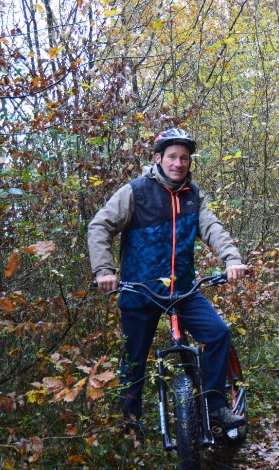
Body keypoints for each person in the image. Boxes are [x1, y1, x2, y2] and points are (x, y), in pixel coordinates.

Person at [87, 127, 249, 439]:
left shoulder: (193, 196)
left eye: (184, 158)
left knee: (218, 334)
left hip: (182, 290)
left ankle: (215, 407)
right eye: (172, 156)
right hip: (141, 290)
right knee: (133, 360)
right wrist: (104, 270)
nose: (178, 163)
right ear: (159, 158)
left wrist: (232, 259)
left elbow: (212, 228)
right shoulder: (136, 192)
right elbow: (100, 226)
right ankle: (130, 427)